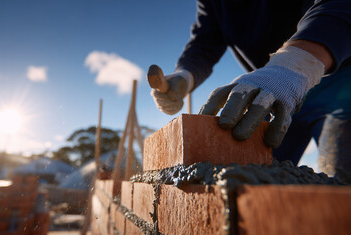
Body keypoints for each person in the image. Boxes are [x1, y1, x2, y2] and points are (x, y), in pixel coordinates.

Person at [150, 0, 351, 183]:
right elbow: (205, 42)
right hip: (269, 94)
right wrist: (185, 75)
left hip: (336, 83)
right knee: (252, 178)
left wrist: (294, 65)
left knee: (342, 184)